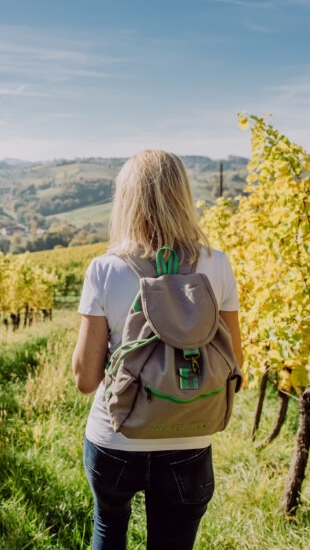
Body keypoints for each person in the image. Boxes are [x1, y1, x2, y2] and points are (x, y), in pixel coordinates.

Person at [72, 149, 243, 550]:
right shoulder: (217, 265)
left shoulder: (105, 268)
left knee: (108, 530)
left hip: (115, 439)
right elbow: (236, 365)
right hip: (190, 442)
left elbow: (85, 380)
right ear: (183, 196)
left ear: (126, 200)